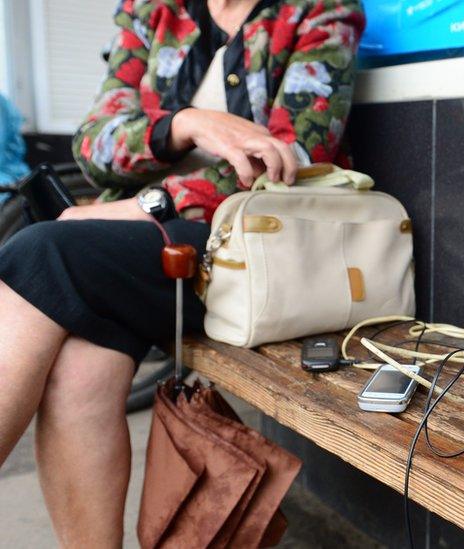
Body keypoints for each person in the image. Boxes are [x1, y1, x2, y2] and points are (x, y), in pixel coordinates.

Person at [0, 0, 363, 545]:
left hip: (245, 243)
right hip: (141, 246)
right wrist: (187, 124)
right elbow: (96, 143)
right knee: (80, 366)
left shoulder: (318, 11)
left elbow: (293, 161)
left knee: (40, 252)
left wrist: (149, 204)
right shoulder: (153, 12)